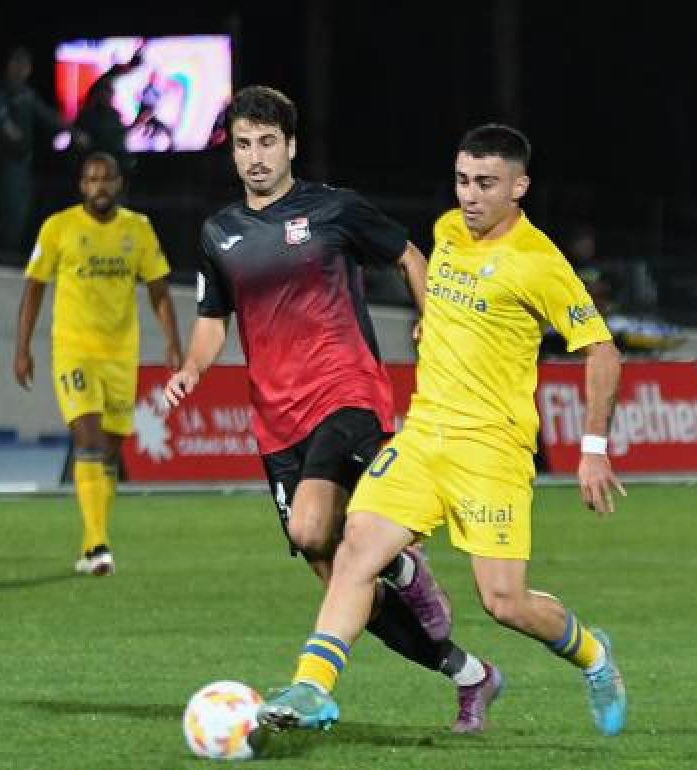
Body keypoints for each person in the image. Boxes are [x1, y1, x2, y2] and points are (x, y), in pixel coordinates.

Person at [255, 124, 629, 737]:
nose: (470, 196)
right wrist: (438, 324)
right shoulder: (447, 230)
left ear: (519, 187)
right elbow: (443, 291)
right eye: (462, 180)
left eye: (486, 183)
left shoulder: (539, 264)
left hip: (492, 451)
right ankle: (312, 688)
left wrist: (592, 451)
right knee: (355, 552)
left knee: (504, 602)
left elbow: (603, 353)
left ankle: (593, 655)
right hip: (425, 436)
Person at [162, 85, 500, 733]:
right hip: (275, 421)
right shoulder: (218, 233)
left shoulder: (334, 210)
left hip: (346, 394)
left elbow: (408, 254)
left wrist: (434, 318)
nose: (255, 156)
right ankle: (471, 675)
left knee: (311, 527)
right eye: (242, 145)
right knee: (344, 582)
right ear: (231, 153)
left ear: (291, 145)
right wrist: (190, 368)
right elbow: (212, 320)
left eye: (267, 142)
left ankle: (389, 580)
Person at [14, 152, 182, 576]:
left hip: (120, 356)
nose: (99, 186)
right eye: (91, 179)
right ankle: (98, 546)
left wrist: (173, 343)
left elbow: (158, 288)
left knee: (108, 450)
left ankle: (92, 542)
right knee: (87, 439)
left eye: (106, 179)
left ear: (118, 184)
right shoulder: (59, 228)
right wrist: (22, 348)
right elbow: (34, 288)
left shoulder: (138, 231)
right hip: (74, 350)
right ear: (81, 186)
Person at [0, 47, 83, 251]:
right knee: (9, 210)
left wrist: (74, 131)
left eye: (24, 66)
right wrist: (12, 134)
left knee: (22, 210)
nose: (19, 70)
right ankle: (0, 253)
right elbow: (2, 121)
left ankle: (10, 253)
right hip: (5, 161)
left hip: (23, 162)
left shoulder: (28, 95)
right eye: (15, 64)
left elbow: (48, 117)